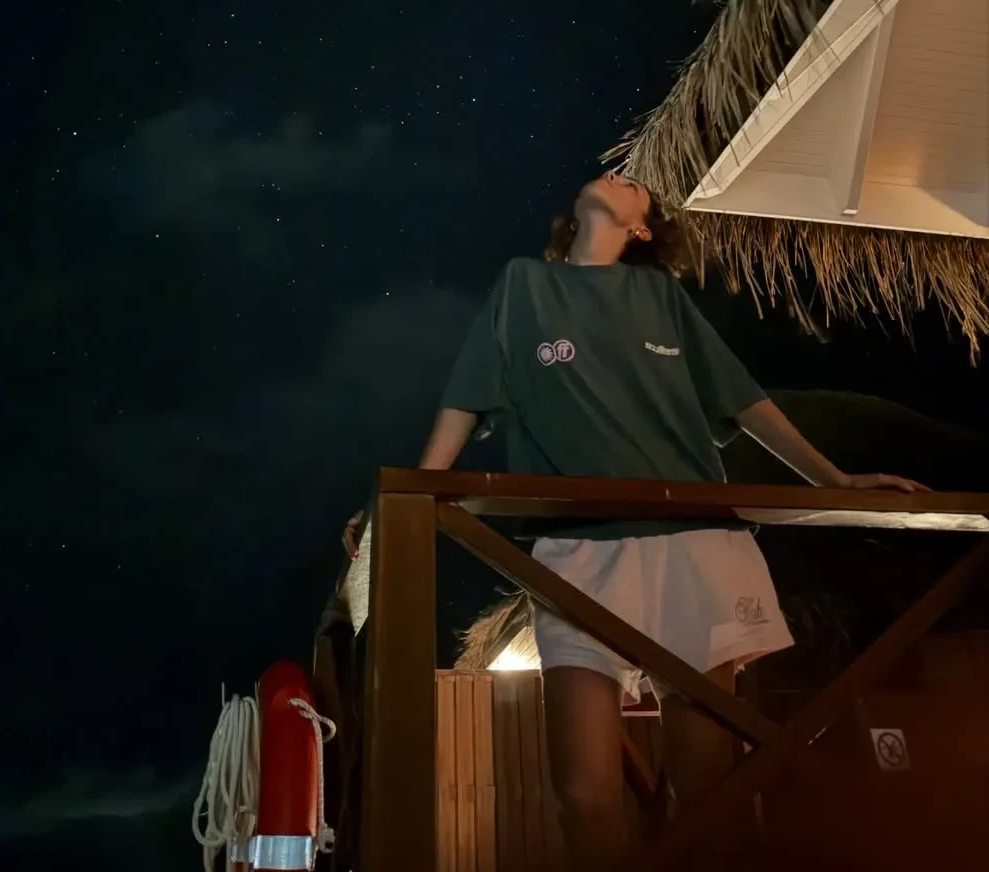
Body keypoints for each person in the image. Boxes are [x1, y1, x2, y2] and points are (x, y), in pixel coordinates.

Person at [343, 172, 925, 870]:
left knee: (705, 786)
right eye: (618, 174)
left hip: (694, 544)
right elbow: (466, 399)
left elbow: (744, 400)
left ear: (642, 229)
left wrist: (833, 480)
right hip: (577, 553)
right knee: (583, 790)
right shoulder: (524, 285)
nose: (622, 177)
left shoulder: (661, 295)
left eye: (638, 187)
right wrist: (408, 495)